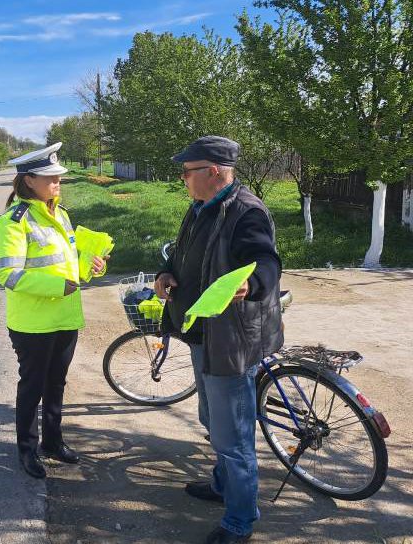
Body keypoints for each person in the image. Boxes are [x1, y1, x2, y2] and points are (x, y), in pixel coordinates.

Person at [154, 136, 283, 544]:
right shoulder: (199, 208)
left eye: (188, 171)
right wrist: (164, 273)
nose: (182, 177)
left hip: (230, 340)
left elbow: (267, 261)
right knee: (212, 421)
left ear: (213, 171)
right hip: (199, 335)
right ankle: (223, 484)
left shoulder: (246, 211)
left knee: (233, 435)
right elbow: (180, 256)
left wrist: (254, 281)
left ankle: (240, 520)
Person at [0, 142, 107, 479]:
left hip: (64, 318)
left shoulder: (61, 214)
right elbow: (8, 274)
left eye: (59, 177)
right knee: (33, 387)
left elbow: (69, 264)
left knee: (57, 384)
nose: (58, 182)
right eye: (50, 177)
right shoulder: (13, 222)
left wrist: (92, 266)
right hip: (33, 324)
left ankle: (53, 442)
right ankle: (27, 450)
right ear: (29, 181)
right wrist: (58, 286)